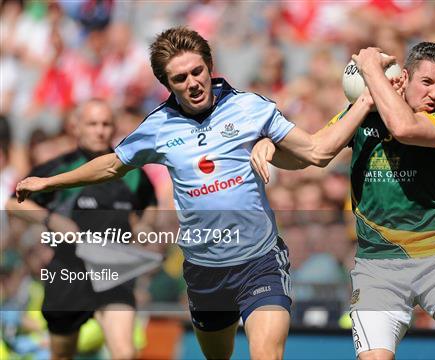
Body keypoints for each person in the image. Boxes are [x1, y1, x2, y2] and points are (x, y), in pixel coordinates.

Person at [13, 26, 396, 359]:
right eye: (180, 78)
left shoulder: (250, 108)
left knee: (266, 353)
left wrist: (364, 99)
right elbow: (112, 164)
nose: (192, 82)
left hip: (259, 262)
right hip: (204, 271)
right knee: (218, 354)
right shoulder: (157, 127)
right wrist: (48, 183)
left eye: (197, 71)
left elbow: (316, 151)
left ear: (210, 66)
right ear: (167, 84)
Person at [250, 42, 435, 360]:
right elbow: (315, 153)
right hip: (377, 268)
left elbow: (403, 127)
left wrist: (369, 67)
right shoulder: (363, 113)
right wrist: (272, 148)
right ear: (404, 78)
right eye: (427, 83)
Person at [7, 99, 158, 359]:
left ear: (114, 128)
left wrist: (144, 227)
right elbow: (13, 203)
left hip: (114, 273)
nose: (100, 130)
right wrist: (51, 219)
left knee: (124, 353)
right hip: (69, 273)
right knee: (63, 354)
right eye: (92, 124)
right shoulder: (59, 169)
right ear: (76, 127)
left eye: (106, 124)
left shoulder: (130, 172)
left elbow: (150, 205)